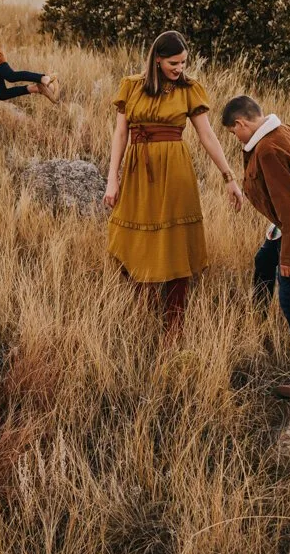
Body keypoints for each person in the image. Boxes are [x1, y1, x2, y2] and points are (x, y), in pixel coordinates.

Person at [104, 31, 245, 338]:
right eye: (173, 62)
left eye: (183, 62)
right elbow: (120, 135)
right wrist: (112, 178)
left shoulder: (189, 89)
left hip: (175, 170)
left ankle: (174, 321)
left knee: (175, 238)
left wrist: (229, 177)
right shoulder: (131, 86)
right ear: (157, 59)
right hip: (137, 171)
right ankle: (141, 309)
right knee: (135, 234)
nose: (179, 68)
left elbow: (207, 136)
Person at [221, 94, 290, 399]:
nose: (235, 137)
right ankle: (257, 323)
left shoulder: (267, 149)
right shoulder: (285, 130)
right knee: (262, 261)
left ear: (241, 123)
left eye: (233, 132)